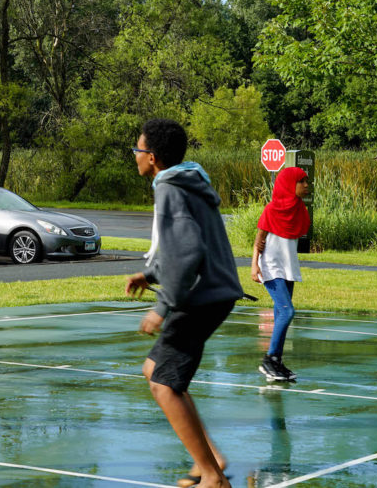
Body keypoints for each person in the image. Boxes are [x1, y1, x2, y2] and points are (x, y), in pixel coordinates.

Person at [124, 119, 243, 488]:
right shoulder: (187, 182)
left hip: (200, 298)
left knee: (163, 384)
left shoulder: (170, 189)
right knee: (154, 369)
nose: (136, 157)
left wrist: (162, 307)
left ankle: (212, 477)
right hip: (214, 292)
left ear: (153, 157)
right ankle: (211, 458)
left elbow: (188, 252)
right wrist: (151, 274)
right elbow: (185, 244)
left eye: (137, 150)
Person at [251, 166, 310, 382]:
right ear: (289, 184)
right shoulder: (271, 209)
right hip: (271, 266)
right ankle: (269, 359)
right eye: (301, 181)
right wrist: (254, 266)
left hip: (288, 267)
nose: (306, 185)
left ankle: (276, 363)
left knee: (279, 315)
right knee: (287, 312)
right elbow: (259, 240)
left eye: (306, 181)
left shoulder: (300, 209)